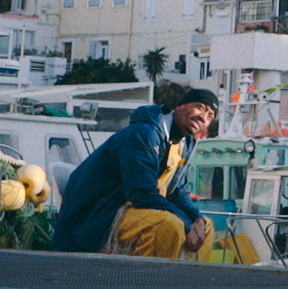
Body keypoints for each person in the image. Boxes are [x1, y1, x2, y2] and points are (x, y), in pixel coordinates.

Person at [52, 88, 218, 257]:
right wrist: (187, 224)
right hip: (101, 214)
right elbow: (141, 193)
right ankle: (145, 274)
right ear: (180, 106)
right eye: (200, 107)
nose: (203, 117)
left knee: (206, 226)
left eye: (210, 116)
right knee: (167, 225)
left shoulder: (184, 143)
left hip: (137, 208)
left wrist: (196, 219)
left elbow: (177, 193)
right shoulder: (144, 133)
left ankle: (188, 274)